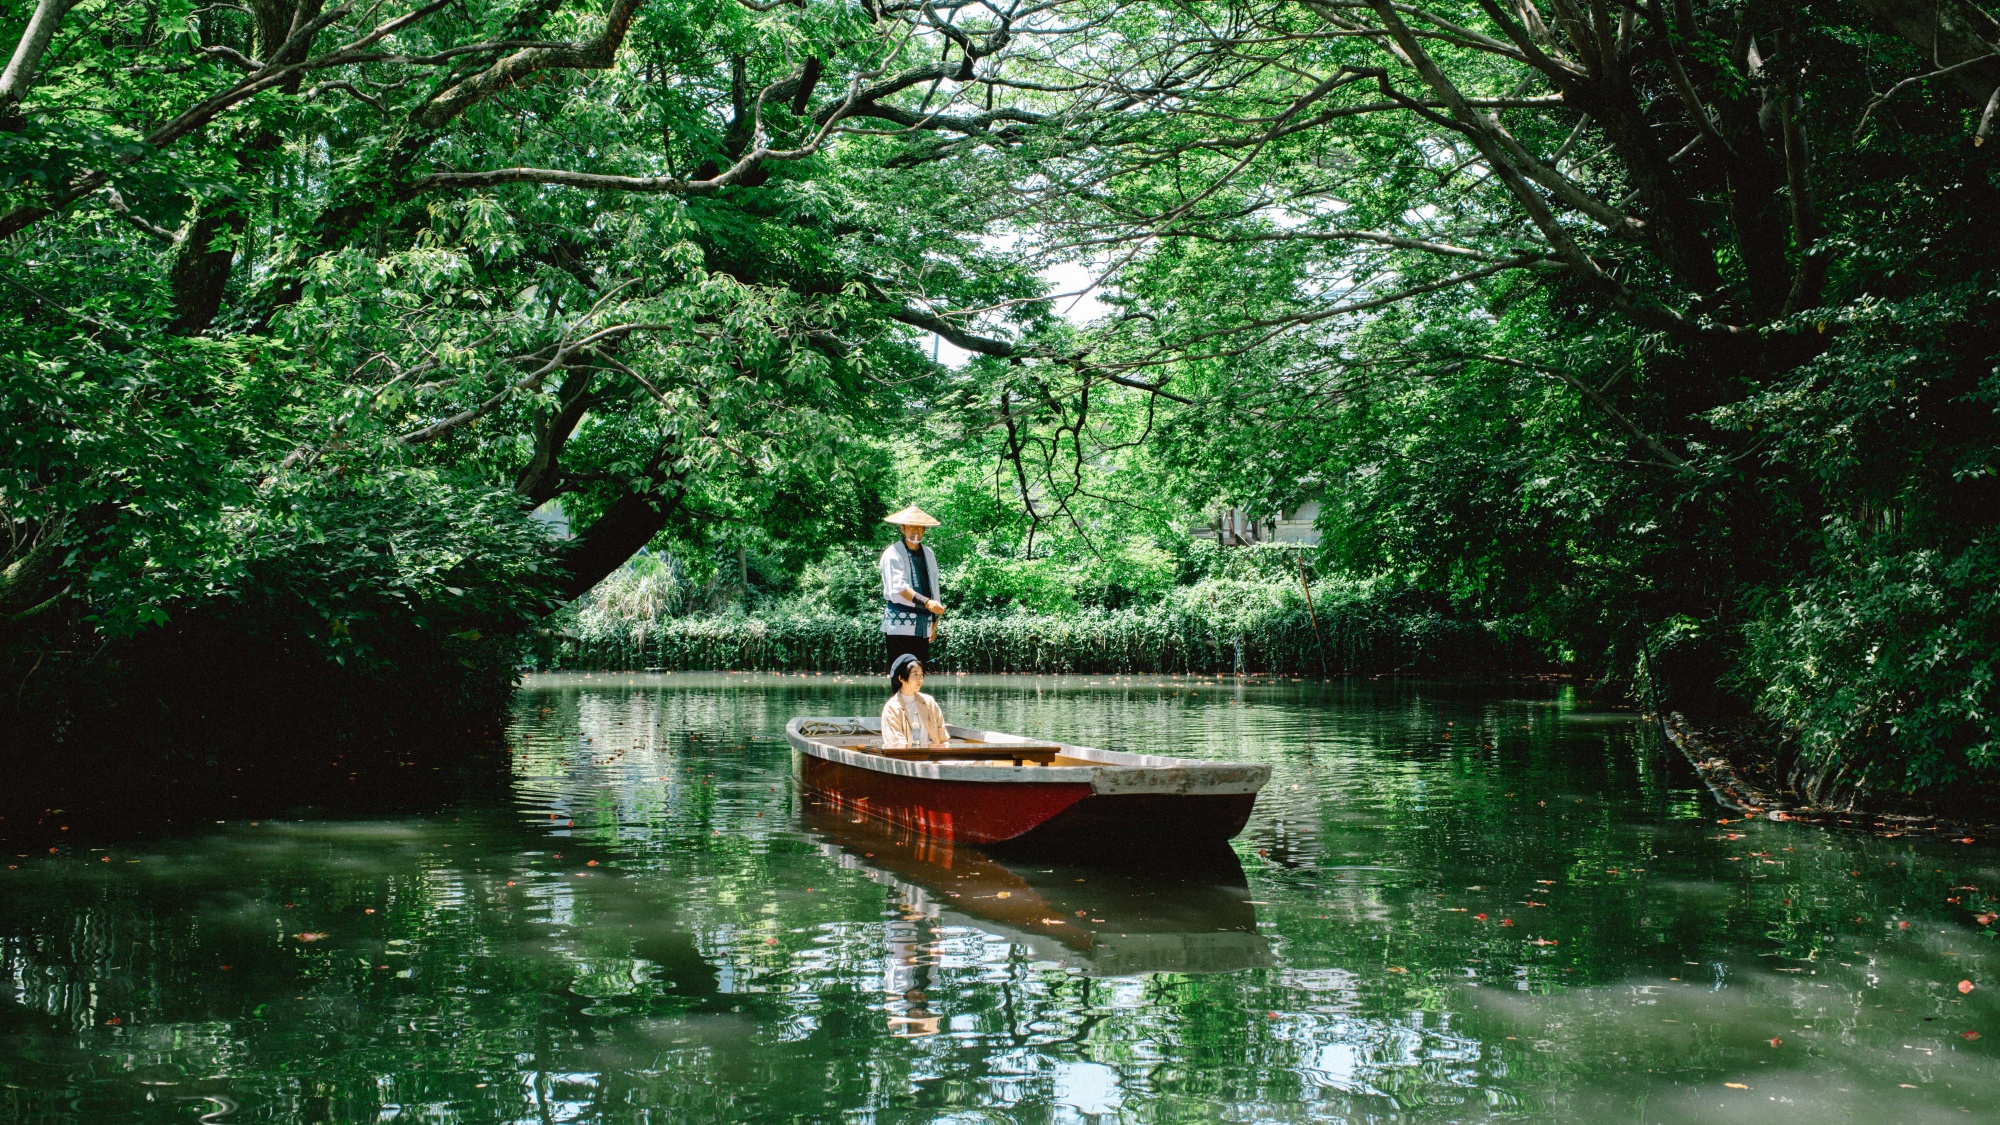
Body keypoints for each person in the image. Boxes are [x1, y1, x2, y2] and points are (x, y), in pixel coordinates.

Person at [879, 505, 945, 666]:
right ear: (902, 529)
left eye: (919, 527)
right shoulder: (893, 553)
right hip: (900, 624)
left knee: (918, 674)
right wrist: (927, 603)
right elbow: (899, 587)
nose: (915, 531)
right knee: (901, 673)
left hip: (923, 624)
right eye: (910, 526)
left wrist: (934, 623)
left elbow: (933, 586)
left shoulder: (928, 553)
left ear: (924, 530)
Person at [880, 653, 949, 748]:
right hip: (908, 759)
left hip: (935, 757)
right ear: (901, 678)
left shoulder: (929, 702)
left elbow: (943, 738)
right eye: (915, 674)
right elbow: (897, 746)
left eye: (921, 674)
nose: (920, 679)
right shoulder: (891, 708)